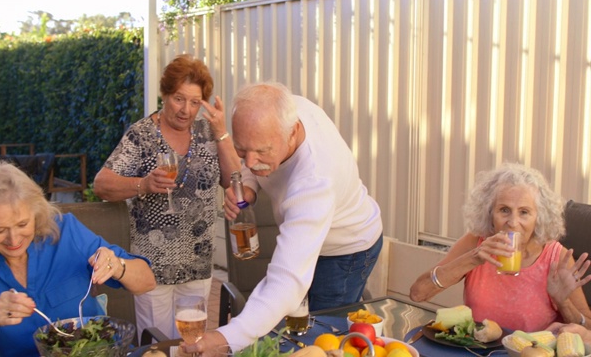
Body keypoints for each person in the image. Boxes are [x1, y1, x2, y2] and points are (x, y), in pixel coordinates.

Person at [185, 82, 384, 354]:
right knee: (291, 328)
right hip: (312, 231)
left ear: (293, 133)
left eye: (262, 152)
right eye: (243, 151)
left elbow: (286, 283)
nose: (251, 162)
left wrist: (223, 338)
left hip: (346, 248)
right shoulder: (284, 110)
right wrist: (249, 187)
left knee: (321, 339)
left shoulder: (315, 181)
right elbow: (252, 163)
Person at [93, 54, 241, 339]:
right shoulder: (142, 135)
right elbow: (102, 184)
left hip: (198, 264)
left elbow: (233, 181)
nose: (186, 110)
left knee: (193, 342)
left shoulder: (208, 132)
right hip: (153, 270)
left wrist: (222, 133)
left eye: (195, 102)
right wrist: (144, 184)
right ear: (164, 94)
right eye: (178, 99)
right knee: (158, 345)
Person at [0, 161, 156, 357]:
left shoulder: (65, 232)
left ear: (36, 214)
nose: (13, 239)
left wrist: (118, 266)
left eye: (22, 224)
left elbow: (147, 282)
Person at [409, 163, 591, 332]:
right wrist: (472, 259)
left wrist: (563, 302)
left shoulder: (557, 258)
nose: (512, 223)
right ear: (489, 213)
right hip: (477, 350)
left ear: (539, 217)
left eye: (524, 212)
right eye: (504, 210)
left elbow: (588, 329)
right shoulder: (476, 243)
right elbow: (418, 293)